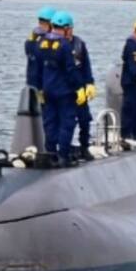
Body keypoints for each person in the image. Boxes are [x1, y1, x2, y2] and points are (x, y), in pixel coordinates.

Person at [38, 10, 86, 166]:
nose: (71, 31)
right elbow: (71, 69)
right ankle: (63, 156)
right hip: (64, 92)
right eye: (70, 28)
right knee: (67, 122)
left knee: (50, 122)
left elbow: (37, 67)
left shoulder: (42, 42)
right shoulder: (65, 45)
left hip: (47, 90)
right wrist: (79, 87)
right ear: (66, 28)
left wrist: (39, 87)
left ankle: (50, 154)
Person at [67, 19, 97, 161]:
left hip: (81, 90)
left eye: (69, 28)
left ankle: (84, 147)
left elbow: (86, 66)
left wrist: (90, 83)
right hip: (67, 91)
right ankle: (65, 150)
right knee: (67, 122)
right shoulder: (58, 46)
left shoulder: (79, 44)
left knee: (85, 119)